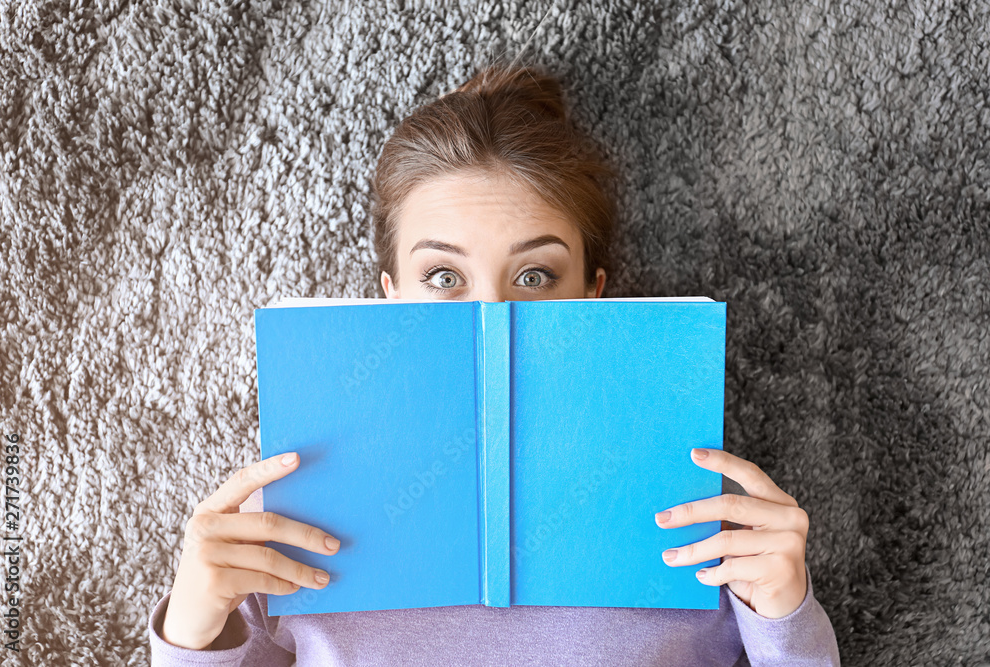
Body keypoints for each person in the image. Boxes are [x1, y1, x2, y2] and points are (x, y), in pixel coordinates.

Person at [149, 61, 841, 665]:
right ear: (390, 296)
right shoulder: (295, 513)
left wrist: (786, 616)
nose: (490, 312)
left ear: (593, 293)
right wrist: (191, 626)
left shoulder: (705, 517)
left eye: (535, 276)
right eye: (444, 277)